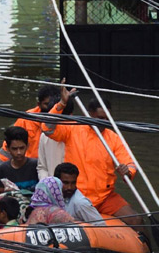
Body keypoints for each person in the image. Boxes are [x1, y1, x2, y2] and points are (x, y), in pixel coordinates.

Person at [44, 86, 140, 226]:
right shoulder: (73, 128)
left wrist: (128, 171)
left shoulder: (113, 138)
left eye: (107, 119)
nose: (104, 123)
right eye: (100, 118)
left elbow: (129, 162)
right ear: (89, 114)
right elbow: (47, 128)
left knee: (136, 219)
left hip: (105, 197)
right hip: (76, 194)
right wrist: (61, 104)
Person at [0, 84, 62, 179]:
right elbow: (8, 147)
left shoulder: (65, 122)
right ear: (39, 104)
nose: (50, 109)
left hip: (52, 170)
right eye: (46, 104)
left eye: (54, 106)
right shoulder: (26, 119)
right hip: (26, 169)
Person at [0, 125, 39, 195]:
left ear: (27, 146)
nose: (19, 152)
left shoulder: (37, 166)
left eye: (22, 148)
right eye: (14, 149)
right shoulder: (1, 170)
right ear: (7, 149)